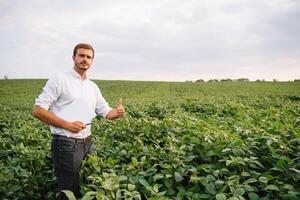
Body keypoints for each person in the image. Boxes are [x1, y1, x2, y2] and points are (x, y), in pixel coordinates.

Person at [32, 43, 125, 199]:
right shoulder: (60, 79)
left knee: (86, 185)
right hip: (65, 144)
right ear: (73, 57)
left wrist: (118, 112)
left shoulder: (92, 87)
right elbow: (38, 110)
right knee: (69, 192)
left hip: (87, 143)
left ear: (92, 60)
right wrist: (67, 125)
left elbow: (106, 112)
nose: (85, 59)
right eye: (81, 55)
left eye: (89, 57)